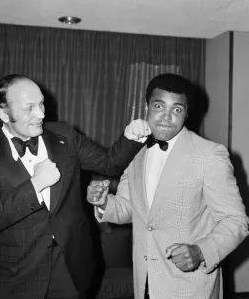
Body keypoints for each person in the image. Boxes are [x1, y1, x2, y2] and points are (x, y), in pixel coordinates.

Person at [0, 74, 150, 299]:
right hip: (18, 278)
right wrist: (36, 184)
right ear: (4, 113)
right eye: (29, 108)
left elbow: (109, 163)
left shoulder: (65, 135)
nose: (41, 114)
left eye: (41, 103)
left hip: (72, 272)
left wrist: (131, 137)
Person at [87, 73, 249, 299]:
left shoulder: (210, 155)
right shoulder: (134, 150)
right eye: (159, 106)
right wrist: (104, 202)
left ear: (187, 113)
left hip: (190, 287)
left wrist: (201, 251)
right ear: (147, 107)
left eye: (177, 109)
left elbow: (236, 221)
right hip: (144, 282)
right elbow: (129, 208)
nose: (166, 116)